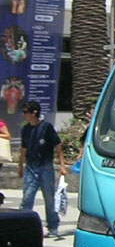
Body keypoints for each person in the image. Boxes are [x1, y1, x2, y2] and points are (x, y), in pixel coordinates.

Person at [18, 100, 67, 237]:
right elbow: (23, 149)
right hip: (31, 168)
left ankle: (53, 226)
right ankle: (22, 226)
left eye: (26, 112)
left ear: (34, 113)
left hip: (45, 168)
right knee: (27, 198)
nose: (24, 115)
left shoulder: (46, 127)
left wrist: (62, 165)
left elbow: (58, 146)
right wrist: (20, 165)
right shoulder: (26, 129)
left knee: (49, 198)